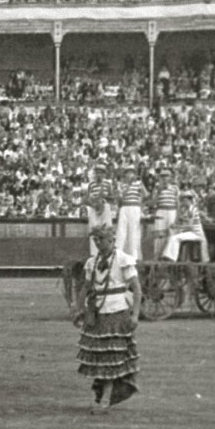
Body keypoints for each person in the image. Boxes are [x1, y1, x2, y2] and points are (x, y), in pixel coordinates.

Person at [77, 226, 142, 414]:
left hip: (117, 312)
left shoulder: (123, 260)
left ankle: (105, 400)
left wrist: (135, 315)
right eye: (95, 240)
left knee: (111, 357)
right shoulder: (92, 262)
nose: (98, 243)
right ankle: (104, 396)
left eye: (101, 239)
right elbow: (86, 287)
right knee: (100, 357)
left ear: (111, 240)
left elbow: (137, 289)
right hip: (97, 313)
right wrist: (79, 309)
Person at [160, 192, 210, 261]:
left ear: (188, 200)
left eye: (184, 200)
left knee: (174, 238)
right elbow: (180, 221)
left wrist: (178, 228)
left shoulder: (192, 209)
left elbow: (189, 225)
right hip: (191, 232)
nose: (182, 202)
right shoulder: (185, 209)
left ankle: (171, 258)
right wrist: (176, 225)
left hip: (196, 234)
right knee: (172, 237)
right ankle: (169, 257)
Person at [115, 164, 147, 261]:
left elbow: (146, 194)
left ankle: (134, 256)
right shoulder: (121, 184)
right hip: (124, 207)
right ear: (125, 175)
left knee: (133, 232)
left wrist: (142, 185)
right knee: (121, 231)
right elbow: (121, 198)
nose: (130, 175)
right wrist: (129, 184)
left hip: (134, 208)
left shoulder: (138, 184)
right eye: (128, 173)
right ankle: (118, 255)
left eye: (132, 173)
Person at [84, 163, 114, 257]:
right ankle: (94, 253)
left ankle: (107, 250)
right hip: (94, 208)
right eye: (97, 172)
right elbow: (86, 198)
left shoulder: (107, 184)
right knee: (94, 228)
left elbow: (112, 198)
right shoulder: (91, 184)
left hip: (105, 206)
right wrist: (93, 203)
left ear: (104, 174)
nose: (99, 174)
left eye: (101, 173)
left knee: (107, 227)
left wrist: (105, 197)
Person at [150, 168, 180, 259]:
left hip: (172, 211)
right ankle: (156, 257)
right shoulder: (157, 188)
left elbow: (178, 203)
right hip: (161, 211)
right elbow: (153, 203)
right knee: (159, 235)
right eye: (163, 176)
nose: (164, 178)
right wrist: (158, 192)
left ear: (170, 177)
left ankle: (169, 258)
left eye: (167, 176)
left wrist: (177, 218)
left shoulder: (175, 188)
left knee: (172, 235)